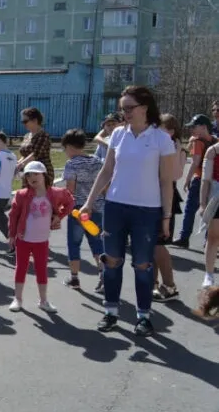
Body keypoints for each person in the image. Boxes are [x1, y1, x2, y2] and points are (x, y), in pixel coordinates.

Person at [80, 86, 176, 337]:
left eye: (129, 108)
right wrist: (89, 202)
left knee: (143, 265)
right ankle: (111, 312)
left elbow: (167, 181)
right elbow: (106, 171)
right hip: (115, 207)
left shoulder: (161, 139)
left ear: (144, 108)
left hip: (147, 211)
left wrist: (166, 217)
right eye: (122, 109)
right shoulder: (118, 135)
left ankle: (143, 317)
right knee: (111, 262)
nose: (125, 113)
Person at [8, 161, 74, 313]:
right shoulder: (22, 194)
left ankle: (43, 300)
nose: (32, 177)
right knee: (21, 268)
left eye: (36, 173)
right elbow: (13, 216)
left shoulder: (55, 193)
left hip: (42, 240)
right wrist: (11, 234)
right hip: (23, 239)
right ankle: (17, 298)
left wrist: (59, 216)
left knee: (41, 269)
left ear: (44, 175)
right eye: (28, 175)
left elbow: (70, 202)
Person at [61, 129, 105, 292]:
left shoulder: (72, 164)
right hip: (98, 206)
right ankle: (103, 276)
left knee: (74, 243)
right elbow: (104, 184)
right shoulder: (96, 161)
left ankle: (74, 278)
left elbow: (70, 190)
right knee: (97, 243)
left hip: (79, 210)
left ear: (70, 147)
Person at [152, 114, 186, 302]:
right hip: (150, 197)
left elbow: (174, 176)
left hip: (166, 198)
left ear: (172, 132)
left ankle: (170, 286)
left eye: (160, 128)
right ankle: (154, 284)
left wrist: (177, 148)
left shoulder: (177, 151)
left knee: (158, 245)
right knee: (151, 246)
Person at [175, 114, 216, 247]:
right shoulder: (216, 141)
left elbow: (195, 162)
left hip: (199, 179)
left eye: (194, 126)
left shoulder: (197, 141)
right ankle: (208, 241)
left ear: (204, 127)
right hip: (213, 180)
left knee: (190, 209)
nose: (191, 129)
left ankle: (184, 237)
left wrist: (187, 180)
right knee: (211, 211)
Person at [198, 135, 219, 288]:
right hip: (216, 197)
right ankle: (209, 275)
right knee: (213, 237)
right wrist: (202, 203)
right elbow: (205, 181)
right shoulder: (212, 151)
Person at [17, 107, 55, 180]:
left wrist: (19, 166)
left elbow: (35, 154)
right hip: (28, 171)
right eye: (22, 122)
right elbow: (24, 155)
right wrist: (17, 164)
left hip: (41, 172)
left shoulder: (44, 136)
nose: (23, 124)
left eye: (25, 121)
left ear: (35, 120)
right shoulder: (26, 136)